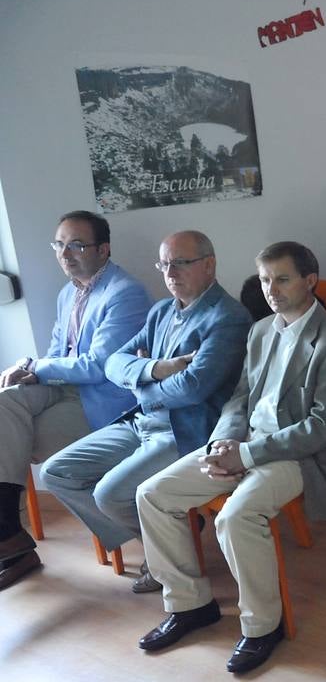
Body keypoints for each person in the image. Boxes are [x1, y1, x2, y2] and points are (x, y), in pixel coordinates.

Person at [135, 241, 326, 673]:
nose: (271, 289)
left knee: (235, 517)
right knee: (153, 494)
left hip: (298, 457)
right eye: (264, 279)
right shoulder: (260, 331)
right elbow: (239, 398)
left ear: (309, 280)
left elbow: (322, 428)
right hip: (244, 443)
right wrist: (224, 441)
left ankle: (262, 627)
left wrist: (247, 454)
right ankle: (189, 604)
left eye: (282, 278)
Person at [40, 231, 250, 592]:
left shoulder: (228, 318)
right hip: (140, 423)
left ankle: (170, 558)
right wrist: (157, 369)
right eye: (164, 264)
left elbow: (194, 388)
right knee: (56, 472)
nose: (170, 272)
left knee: (109, 494)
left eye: (180, 263)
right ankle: (171, 537)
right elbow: (112, 364)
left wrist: (142, 385)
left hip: (186, 430)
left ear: (209, 265)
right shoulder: (160, 312)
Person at [0, 210, 150, 590]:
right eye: (60, 245)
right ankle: (7, 532)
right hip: (65, 388)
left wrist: (39, 366)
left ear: (104, 249)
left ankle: (12, 543)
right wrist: (29, 370)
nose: (66, 254)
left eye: (77, 245)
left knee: (16, 441)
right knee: (5, 402)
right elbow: (57, 352)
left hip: (103, 401)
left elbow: (99, 366)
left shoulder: (125, 293)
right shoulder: (68, 292)